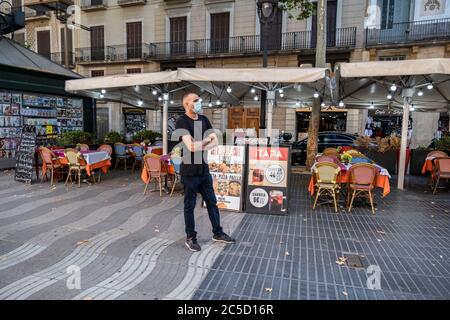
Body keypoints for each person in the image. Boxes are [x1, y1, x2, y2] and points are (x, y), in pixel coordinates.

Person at [175, 92, 236, 252]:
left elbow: (215, 142)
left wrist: (202, 142)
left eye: (199, 100)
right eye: (195, 101)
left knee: (212, 202)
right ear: (187, 105)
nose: (199, 103)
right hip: (188, 171)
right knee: (189, 206)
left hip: (203, 170)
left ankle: (218, 232)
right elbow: (191, 147)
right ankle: (191, 237)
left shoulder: (204, 120)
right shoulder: (182, 122)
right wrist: (205, 141)